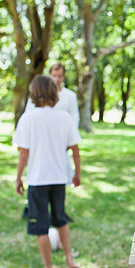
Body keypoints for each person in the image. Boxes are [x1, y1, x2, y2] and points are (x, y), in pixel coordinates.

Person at [13, 75, 81, 268]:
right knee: (61, 219)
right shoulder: (64, 118)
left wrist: (18, 178)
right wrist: (77, 173)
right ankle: (70, 260)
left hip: (37, 180)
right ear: (54, 92)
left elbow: (23, 154)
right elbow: (75, 150)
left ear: (34, 93)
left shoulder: (28, 118)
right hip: (59, 178)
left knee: (41, 227)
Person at [22, 63, 79, 220]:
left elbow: (74, 119)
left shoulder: (70, 97)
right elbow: (28, 117)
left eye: (60, 75)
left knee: (59, 175)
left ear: (63, 76)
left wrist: (68, 141)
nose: (56, 78)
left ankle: (58, 212)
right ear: (50, 75)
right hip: (39, 143)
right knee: (36, 173)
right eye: (54, 75)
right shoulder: (35, 98)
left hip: (59, 143)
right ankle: (32, 207)